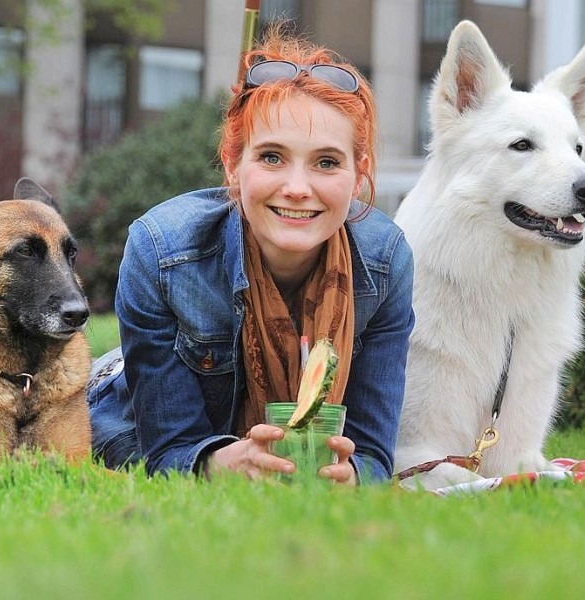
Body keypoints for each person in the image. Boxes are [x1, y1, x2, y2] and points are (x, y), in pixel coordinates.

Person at [87, 25, 414, 485]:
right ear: (232, 166)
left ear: (358, 177)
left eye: (326, 162)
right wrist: (220, 464)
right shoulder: (161, 251)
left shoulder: (386, 262)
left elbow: (374, 453)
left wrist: (352, 476)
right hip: (123, 409)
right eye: (272, 157)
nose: (298, 189)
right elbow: (168, 450)